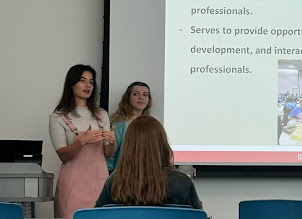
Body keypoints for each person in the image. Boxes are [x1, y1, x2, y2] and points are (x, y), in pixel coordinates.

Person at [49, 64, 116, 218]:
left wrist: (112, 142)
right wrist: (81, 141)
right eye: (83, 80)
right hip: (73, 186)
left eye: (91, 82)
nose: (88, 85)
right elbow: (63, 155)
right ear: (71, 84)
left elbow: (107, 154)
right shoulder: (58, 117)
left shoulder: (101, 115)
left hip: (100, 183)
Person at [95, 116, 203, 209]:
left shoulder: (114, 182)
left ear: (129, 147)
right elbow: (199, 215)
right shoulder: (182, 182)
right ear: (162, 145)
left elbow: (96, 215)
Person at [106, 82, 152, 173]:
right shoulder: (119, 126)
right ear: (128, 97)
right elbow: (110, 159)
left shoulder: (152, 125)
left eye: (145, 95)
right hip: (123, 178)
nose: (141, 98)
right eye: (136, 94)